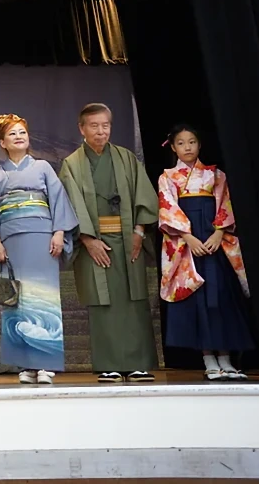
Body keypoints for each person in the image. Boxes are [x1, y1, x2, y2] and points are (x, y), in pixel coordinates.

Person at [58, 103, 159, 383]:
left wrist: (139, 233)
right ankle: (108, 363)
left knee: (133, 299)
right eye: (94, 126)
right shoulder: (72, 164)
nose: (101, 131)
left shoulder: (126, 158)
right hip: (93, 239)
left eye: (105, 125)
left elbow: (145, 197)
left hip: (128, 238)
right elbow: (70, 203)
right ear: (82, 128)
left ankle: (138, 363)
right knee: (102, 301)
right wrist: (88, 240)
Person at [0, 117, 79, 384]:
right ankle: (25, 364)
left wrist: (59, 232)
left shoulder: (43, 167)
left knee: (44, 297)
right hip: (10, 240)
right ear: (2, 142)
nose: (18, 136)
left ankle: (45, 363)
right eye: (12, 134)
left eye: (22, 132)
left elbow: (58, 200)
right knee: (18, 300)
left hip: (41, 236)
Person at [158, 124, 252, 380]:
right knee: (199, 299)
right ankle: (208, 358)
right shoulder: (168, 177)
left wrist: (219, 232)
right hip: (188, 243)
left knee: (220, 296)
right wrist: (188, 237)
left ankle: (226, 359)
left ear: (200, 145)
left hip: (213, 239)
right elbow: (168, 210)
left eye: (192, 142)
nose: (187, 147)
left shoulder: (215, 175)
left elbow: (225, 205)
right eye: (181, 143)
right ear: (173, 147)